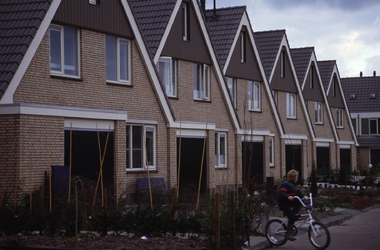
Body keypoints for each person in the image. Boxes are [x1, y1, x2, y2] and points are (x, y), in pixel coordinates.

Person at [277, 170, 308, 241]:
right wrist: (287, 196)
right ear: (294, 177)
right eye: (296, 176)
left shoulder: (294, 184)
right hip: (284, 203)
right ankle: (289, 234)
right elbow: (281, 192)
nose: (297, 177)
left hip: (289, 202)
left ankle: (294, 215)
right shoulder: (286, 184)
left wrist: (304, 196)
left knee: (299, 200)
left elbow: (298, 191)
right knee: (291, 217)